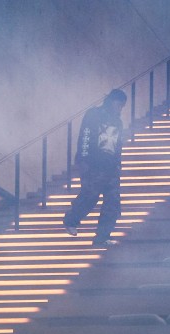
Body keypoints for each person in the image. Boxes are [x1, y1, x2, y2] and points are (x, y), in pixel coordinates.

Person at [63, 88, 127, 246]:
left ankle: (102, 237)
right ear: (111, 101)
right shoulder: (93, 115)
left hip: (111, 168)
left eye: (122, 106)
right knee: (90, 196)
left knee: (113, 202)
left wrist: (118, 164)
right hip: (93, 164)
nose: (119, 108)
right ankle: (71, 220)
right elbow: (84, 137)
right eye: (118, 104)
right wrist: (84, 160)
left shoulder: (118, 122)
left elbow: (118, 145)